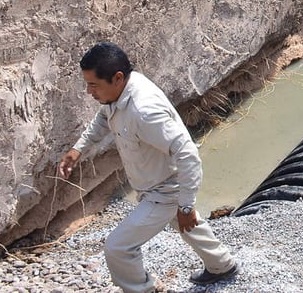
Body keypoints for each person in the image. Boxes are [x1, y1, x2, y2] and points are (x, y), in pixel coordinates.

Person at [58, 42, 240, 292]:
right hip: (153, 183)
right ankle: (223, 265)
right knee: (185, 224)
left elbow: (187, 154)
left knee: (118, 247)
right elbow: (104, 116)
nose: (89, 91)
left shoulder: (145, 111)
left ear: (117, 77)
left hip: (164, 191)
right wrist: (78, 148)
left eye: (93, 84)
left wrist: (185, 203)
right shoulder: (118, 93)